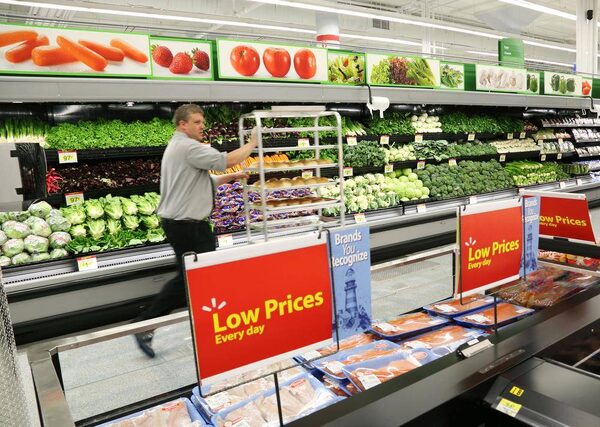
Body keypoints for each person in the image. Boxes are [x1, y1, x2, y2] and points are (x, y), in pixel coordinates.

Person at [134, 103, 256, 357]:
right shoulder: (189, 147)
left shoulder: (177, 146)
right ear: (183, 125)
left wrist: (230, 178)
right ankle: (146, 323)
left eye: (203, 122)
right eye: (197, 122)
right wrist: (253, 142)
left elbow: (196, 181)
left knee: (198, 278)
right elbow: (227, 160)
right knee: (190, 280)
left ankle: (209, 326)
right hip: (188, 226)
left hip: (183, 224)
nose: (203, 126)